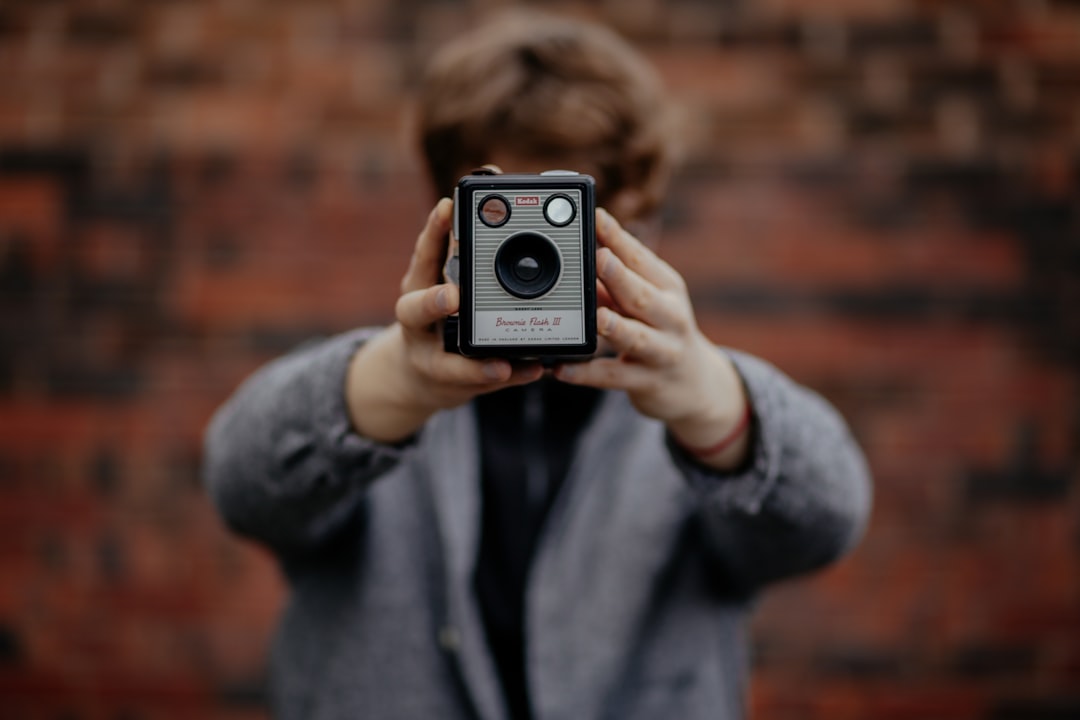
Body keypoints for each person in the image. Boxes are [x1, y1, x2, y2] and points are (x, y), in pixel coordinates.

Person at [203, 10, 872, 720]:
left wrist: (714, 406)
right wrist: (392, 385)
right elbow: (241, 483)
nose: (536, 261)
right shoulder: (390, 377)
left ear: (641, 223)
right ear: (448, 213)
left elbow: (827, 522)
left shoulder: (681, 387)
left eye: (568, 218)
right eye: (506, 216)